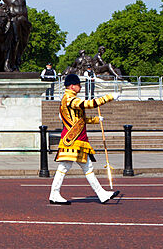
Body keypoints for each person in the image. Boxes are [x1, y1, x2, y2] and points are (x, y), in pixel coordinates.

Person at [48, 74, 120, 205]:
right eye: (78, 85)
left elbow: (80, 120)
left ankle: (101, 194)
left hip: (78, 139)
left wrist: (96, 120)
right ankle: (54, 193)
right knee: (65, 166)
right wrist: (108, 97)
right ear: (72, 86)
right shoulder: (69, 98)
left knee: (86, 167)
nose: (80, 87)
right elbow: (88, 104)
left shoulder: (70, 98)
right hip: (72, 139)